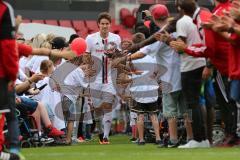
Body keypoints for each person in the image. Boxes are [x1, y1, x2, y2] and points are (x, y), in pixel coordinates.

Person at [85, 12, 121, 144]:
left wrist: (115, 60)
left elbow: (119, 56)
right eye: (102, 24)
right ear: (98, 25)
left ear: (110, 25)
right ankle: (100, 130)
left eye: (107, 23)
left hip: (109, 78)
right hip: (95, 78)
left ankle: (106, 136)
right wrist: (88, 67)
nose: (105, 26)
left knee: (108, 105)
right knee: (97, 108)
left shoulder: (116, 38)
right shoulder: (90, 38)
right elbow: (86, 55)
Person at [0, 1, 24, 160]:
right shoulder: (4, 8)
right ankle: (13, 151)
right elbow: (8, 45)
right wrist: (12, 75)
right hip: (2, 75)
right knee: (8, 114)